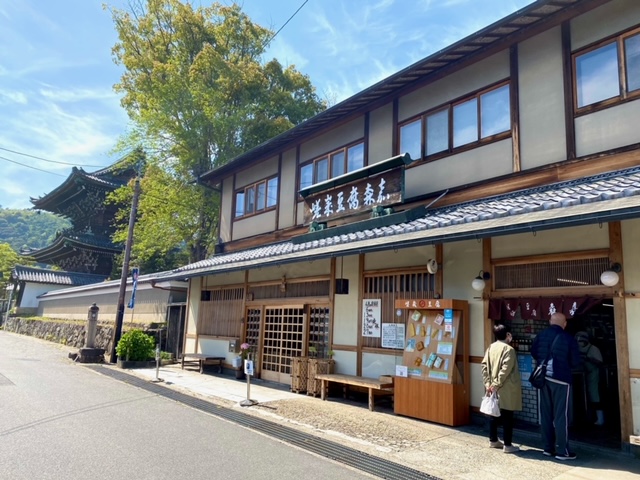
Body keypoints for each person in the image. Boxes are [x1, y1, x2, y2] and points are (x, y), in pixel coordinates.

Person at [531, 312, 582, 460]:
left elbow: (534, 352)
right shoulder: (568, 338)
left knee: (546, 414)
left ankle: (548, 448)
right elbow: (575, 361)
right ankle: (562, 451)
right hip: (561, 379)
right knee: (561, 415)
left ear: (550, 321)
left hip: (543, 378)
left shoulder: (541, 335)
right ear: (564, 324)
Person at [481, 323, 522, 454]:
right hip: (506, 388)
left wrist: (488, 384)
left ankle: (493, 440)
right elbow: (506, 369)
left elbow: (484, 366)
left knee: (493, 413)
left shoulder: (491, 347)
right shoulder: (509, 349)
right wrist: (496, 384)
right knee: (507, 416)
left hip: (492, 387)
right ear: (508, 334)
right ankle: (508, 445)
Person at [575, 331, 604, 425]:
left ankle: (600, 418)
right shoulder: (576, 348)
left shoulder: (593, 349)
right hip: (581, 374)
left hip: (593, 374)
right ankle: (587, 417)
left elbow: (600, 362)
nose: (580, 342)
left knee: (594, 395)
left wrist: (589, 359)